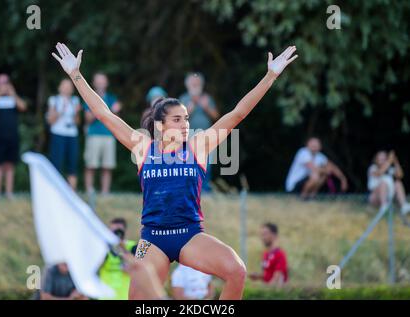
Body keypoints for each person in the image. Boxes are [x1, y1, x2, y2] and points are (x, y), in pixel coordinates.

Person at [52, 42, 298, 300]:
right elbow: (104, 114)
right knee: (137, 300)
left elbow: (237, 113)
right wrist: (76, 75)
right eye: (177, 120)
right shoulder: (143, 148)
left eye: (186, 119)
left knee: (236, 271)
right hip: (152, 239)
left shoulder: (197, 146)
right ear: (159, 125)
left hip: (189, 235)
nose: (185, 125)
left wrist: (271, 76)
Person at [0, 73, 27, 200]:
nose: (3, 85)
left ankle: (9, 193)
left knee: (10, 165)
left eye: (5, 82)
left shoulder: (13, 98)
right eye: (0, 83)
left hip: (12, 136)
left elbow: (23, 107)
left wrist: (12, 93)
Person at [179, 72, 220, 192]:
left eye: (197, 83)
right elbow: (178, 119)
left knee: (206, 164)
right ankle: (190, 190)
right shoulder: (183, 99)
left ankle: (205, 190)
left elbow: (216, 116)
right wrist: (190, 107)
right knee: (188, 163)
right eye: (193, 84)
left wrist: (206, 107)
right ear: (188, 85)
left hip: (207, 136)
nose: (195, 86)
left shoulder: (207, 98)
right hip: (189, 137)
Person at [83, 72, 122, 196]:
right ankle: (89, 191)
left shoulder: (112, 98)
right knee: (91, 165)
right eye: (98, 81)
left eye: (102, 81)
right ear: (94, 83)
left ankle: (105, 192)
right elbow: (88, 119)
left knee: (107, 166)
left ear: (106, 83)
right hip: (94, 135)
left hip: (109, 135)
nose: (100, 84)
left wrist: (113, 112)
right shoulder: (89, 97)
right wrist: (105, 110)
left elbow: (116, 120)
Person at [46, 78, 82, 189]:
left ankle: (72, 193)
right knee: (56, 163)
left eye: (69, 86)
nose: (66, 89)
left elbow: (77, 122)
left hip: (72, 135)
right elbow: (50, 121)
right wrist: (62, 110)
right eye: (64, 86)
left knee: (72, 163)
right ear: (59, 88)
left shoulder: (75, 100)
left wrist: (76, 112)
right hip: (58, 134)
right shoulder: (54, 100)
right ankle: (55, 190)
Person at [98, 218, 138, 300]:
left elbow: (137, 267)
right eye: (113, 231)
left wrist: (122, 248)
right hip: (105, 296)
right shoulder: (103, 248)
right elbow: (95, 267)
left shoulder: (132, 247)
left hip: (124, 296)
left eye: (119, 231)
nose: (116, 234)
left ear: (124, 231)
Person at [368, 150, 410, 216]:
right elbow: (379, 173)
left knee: (397, 183)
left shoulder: (389, 169)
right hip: (375, 197)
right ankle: (383, 206)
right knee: (383, 183)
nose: (383, 160)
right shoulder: (372, 168)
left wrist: (396, 162)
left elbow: (400, 175)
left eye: (384, 159)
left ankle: (403, 205)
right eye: (381, 159)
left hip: (389, 196)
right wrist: (389, 161)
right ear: (376, 160)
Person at [248, 223, 288, 287]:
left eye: (265, 234)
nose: (263, 237)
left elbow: (277, 278)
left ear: (274, 235)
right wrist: (258, 276)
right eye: (261, 234)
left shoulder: (279, 254)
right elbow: (268, 274)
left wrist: (266, 291)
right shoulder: (266, 254)